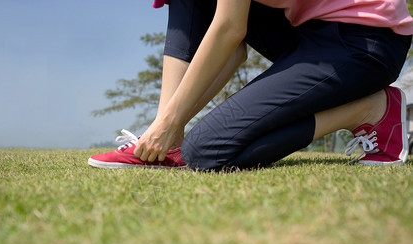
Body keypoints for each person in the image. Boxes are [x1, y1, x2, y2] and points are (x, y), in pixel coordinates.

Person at [88, 0, 413, 170]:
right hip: (308, 32)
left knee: (206, 152)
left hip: (365, 40)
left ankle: (369, 110)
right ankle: (164, 137)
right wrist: (165, 123)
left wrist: (171, 121)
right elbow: (231, 46)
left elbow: (230, 28)